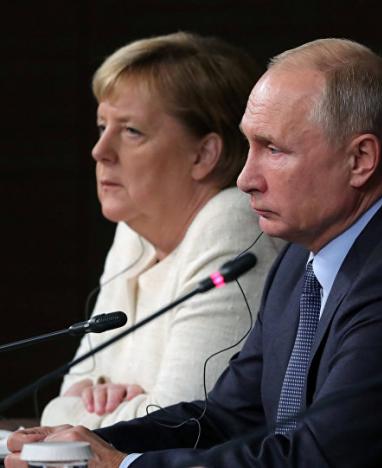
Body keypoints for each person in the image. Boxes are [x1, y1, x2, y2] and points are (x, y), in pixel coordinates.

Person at [5, 38, 382, 468]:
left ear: (359, 159)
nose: (245, 178)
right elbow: (225, 417)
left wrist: (125, 466)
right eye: (248, 146)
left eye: (273, 149)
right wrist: (88, 442)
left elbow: (319, 458)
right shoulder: (302, 259)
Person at [39, 32, 283, 430]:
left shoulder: (232, 223)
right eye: (102, 126)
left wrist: (80, 409)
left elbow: (180, 424)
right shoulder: (135, 231)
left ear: (204, 154)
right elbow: (57, 404)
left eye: (131, 131)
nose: (100, 151)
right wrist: (76, 409)